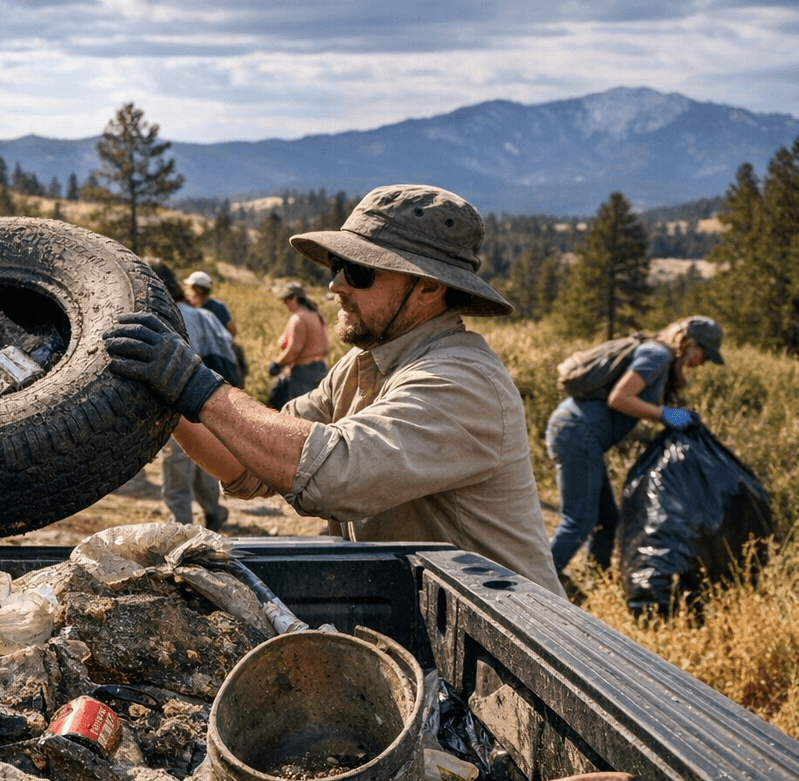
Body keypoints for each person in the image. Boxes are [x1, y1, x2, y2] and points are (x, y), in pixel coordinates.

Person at [105, 185, 565, 596]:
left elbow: (334, 474)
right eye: (338, 265)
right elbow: (249, 461)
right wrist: (166, 398)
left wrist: (197, 385)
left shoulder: (461, 381)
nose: (335, 285)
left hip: (509, 642)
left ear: (427, 287)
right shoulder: (361, 367)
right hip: (435, 613)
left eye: (360, 271)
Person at [545, 315, 723, 582]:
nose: (703, 362)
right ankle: (536, 580)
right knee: (578, 522)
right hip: (577, 433)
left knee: (607, 520)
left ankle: (597, 583)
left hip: (578, 432)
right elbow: (620, 398)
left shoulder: (658, 356)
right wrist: (669, 416)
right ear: (689, 342)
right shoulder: (657, 356)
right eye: (704, 354)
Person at [150, 259, 237, 530]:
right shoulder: (206, 315)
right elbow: (231, 350)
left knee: (176, 472)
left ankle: (181, 529)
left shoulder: (163, 318)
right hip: (214, 401)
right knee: (205, 462)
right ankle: (213, 512)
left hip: (180, 404)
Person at [265, 280, 329, 410]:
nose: (284, 302)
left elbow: (294, 350)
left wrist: (277, 363)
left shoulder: (298, 319)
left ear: (295, 298)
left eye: (286, 299)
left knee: (301, 411)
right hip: (320, 368)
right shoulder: (316, 314)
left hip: (303, 372)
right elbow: (325, 346)